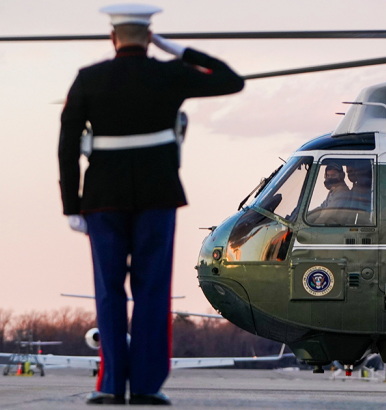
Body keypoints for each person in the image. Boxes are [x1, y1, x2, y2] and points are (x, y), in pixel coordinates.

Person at [57, 4, 244, 405]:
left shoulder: (89, 78)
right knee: (152, 290)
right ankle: (145, 384)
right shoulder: (168, 73)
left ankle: (109, 386)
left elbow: (68, 145)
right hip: (157, 195)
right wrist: (178, 51)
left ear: (113, 36)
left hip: (102, 200)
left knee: (108, 291)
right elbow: (231, 80)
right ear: (149, 36)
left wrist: (71, 205)